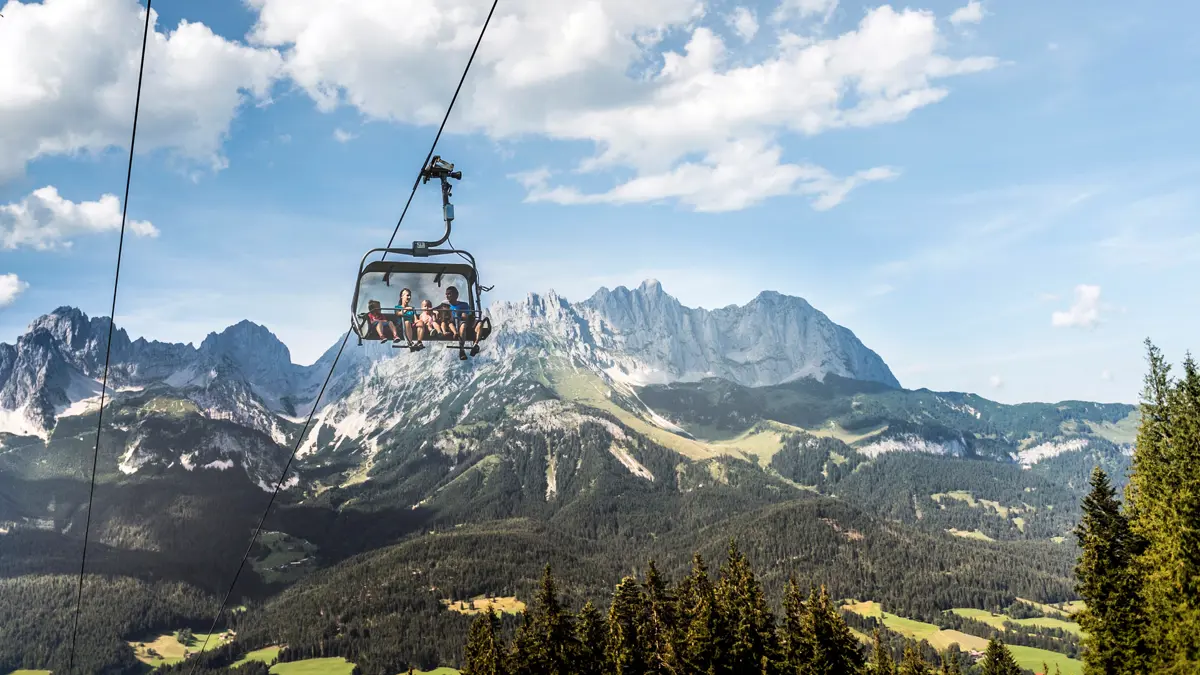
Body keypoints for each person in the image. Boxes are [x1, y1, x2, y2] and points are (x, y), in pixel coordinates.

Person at [440, 285, 483, 359]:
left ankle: (475, 344)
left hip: (462, 321)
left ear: (456, 295)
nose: (447, 296)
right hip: (452, 324)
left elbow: (467, 315)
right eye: (446, 294)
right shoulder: (445, 305)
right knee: (462, 326)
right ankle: (462, 350)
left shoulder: (464, 305)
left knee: (480, 323)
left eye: (449, 294)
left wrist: (464, 315)